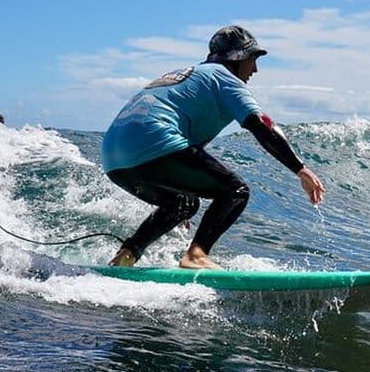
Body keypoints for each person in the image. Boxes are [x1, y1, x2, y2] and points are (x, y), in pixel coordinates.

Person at [101, 25, 325, 269]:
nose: (255, 69)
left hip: (114, 159)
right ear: (237, 58)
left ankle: (126, 256)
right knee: (235, 190)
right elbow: (261, 126)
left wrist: (184, 191)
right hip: (155, 141)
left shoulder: (188, 75)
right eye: (252, 59)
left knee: (183, 203)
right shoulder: (224, 78)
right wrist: (301, 169)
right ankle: (196, 255)